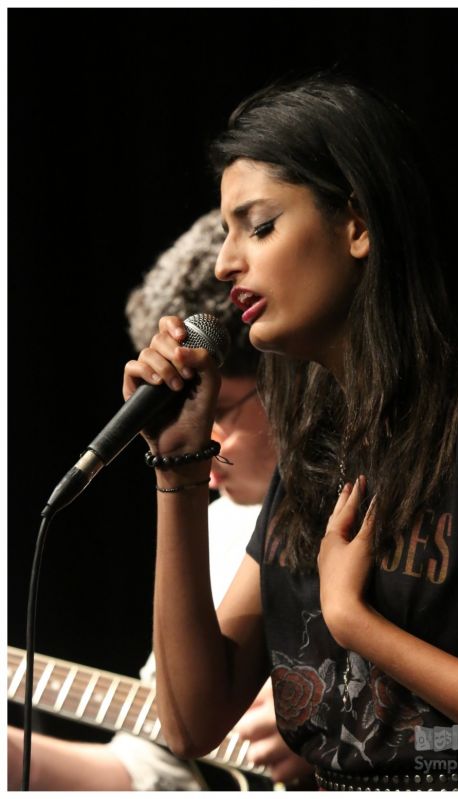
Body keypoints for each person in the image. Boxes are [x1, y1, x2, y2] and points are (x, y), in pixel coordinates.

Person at [124, 74, 458, 791]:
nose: (224, 262)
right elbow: (189, 721)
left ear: (358, 224)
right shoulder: (311, 460)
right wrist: (176, 465)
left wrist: (356, 623)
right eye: (228, 230)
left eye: (259, 225)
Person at [8, 210, 312, 790]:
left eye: (218, 414)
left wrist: (346, 727)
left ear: (286, 382)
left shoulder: (417, 476)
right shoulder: (222, 532)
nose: (207, 440)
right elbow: (158, 763)